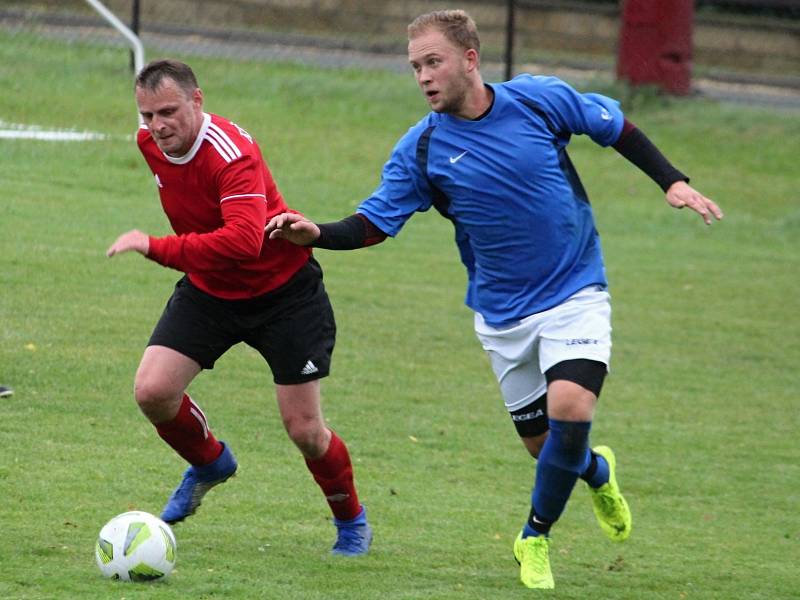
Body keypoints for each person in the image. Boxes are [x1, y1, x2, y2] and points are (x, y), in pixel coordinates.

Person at [266, 9, 722, 589]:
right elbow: (376, 223)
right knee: (547, 449)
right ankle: (598, 471)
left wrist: (672, 180)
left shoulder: (537, 101)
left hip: (576, 289)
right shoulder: (422, 149)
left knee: (572, 409)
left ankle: (533, 537)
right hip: (503, 317)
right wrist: (318, 233)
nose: (424, 76)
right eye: (415, 67)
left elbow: (615, 127)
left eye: (434, 62)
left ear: (470, 59)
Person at [106, 59, 372, 556]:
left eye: (168, 111)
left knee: (306, 431)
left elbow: (244, 242)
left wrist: (155, 246)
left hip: (284, 294)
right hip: (211, 292)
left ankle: (350, 520)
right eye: (147, 115)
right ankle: (210, 462)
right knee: (153, 391)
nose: (157, 126)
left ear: (197, 100)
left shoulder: (232, 153)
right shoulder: (150, 144)